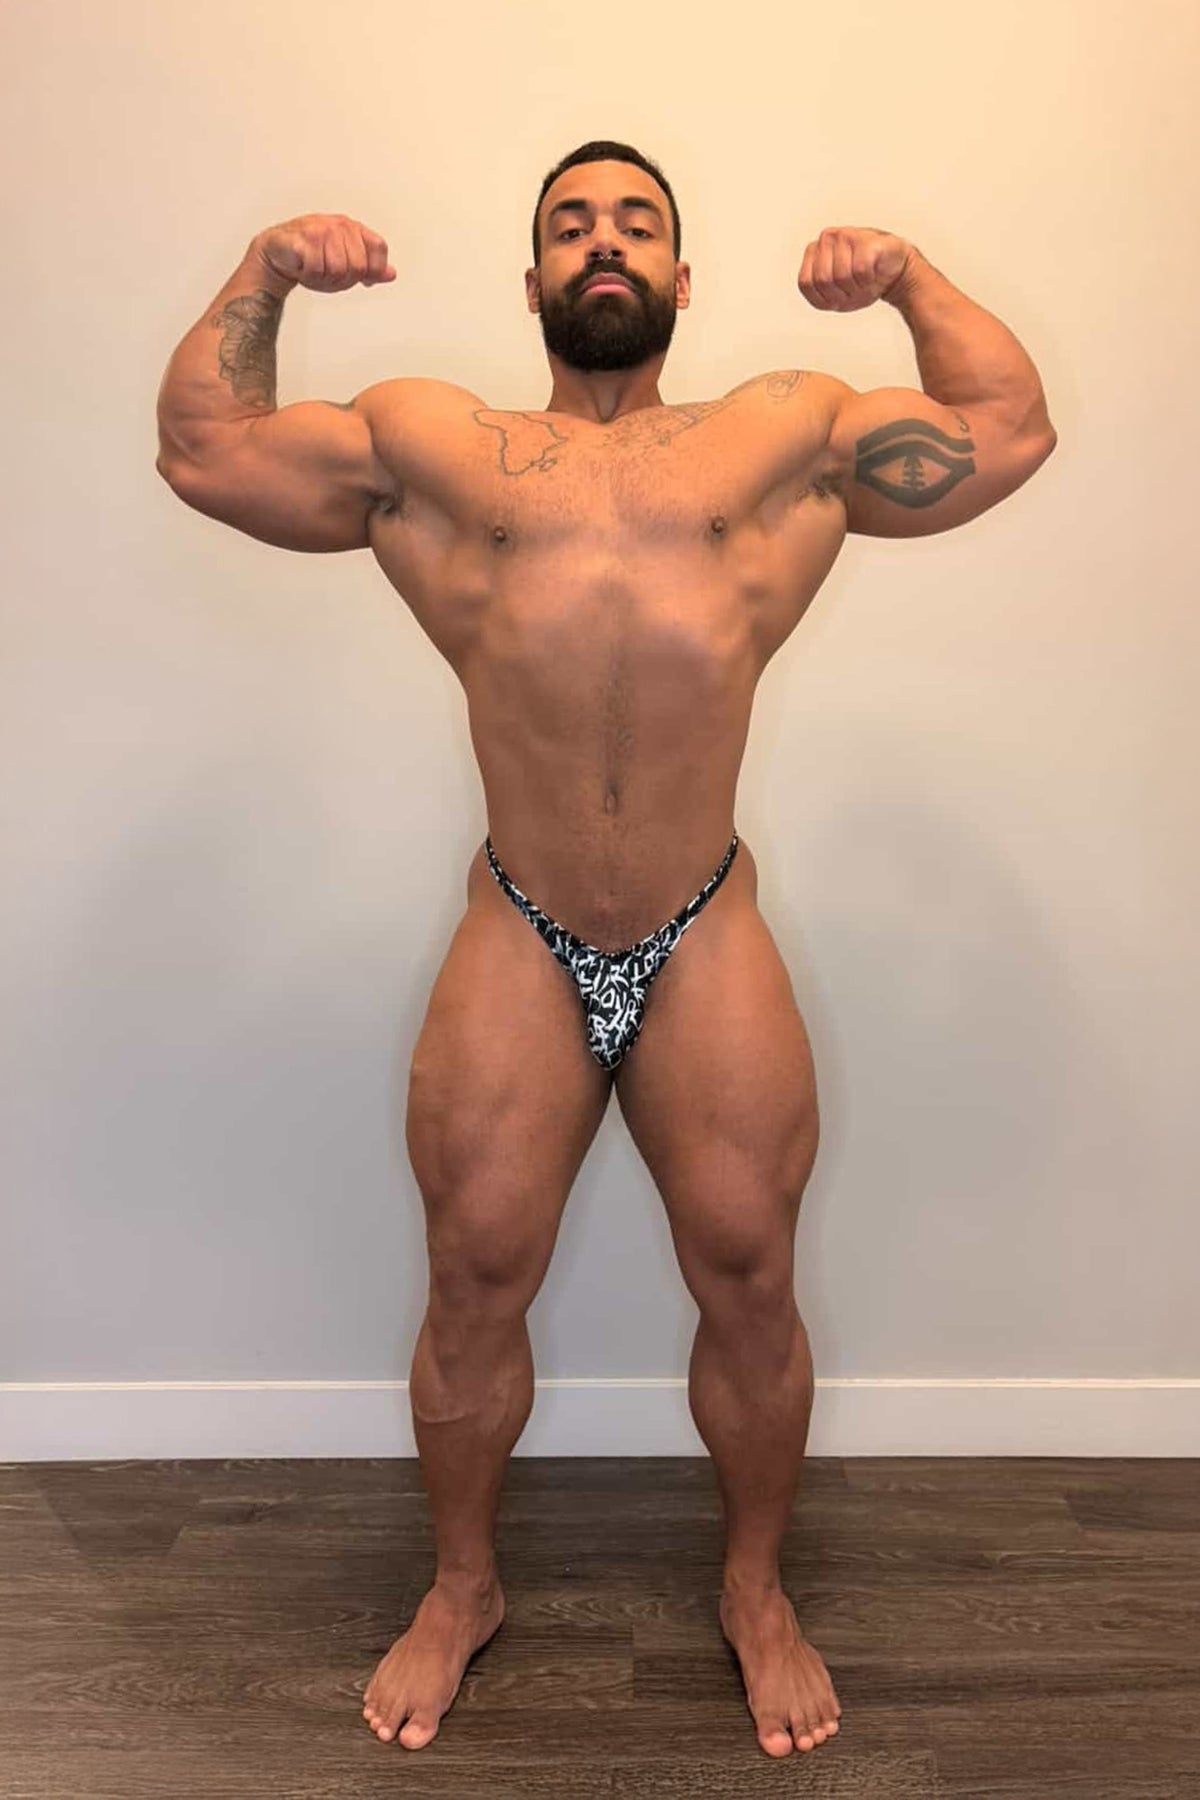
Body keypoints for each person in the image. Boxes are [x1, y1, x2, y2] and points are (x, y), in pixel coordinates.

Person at [155, 139, 1057, 1759]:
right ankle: (462, 1587)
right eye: (572, 223)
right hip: (525, 922)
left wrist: (910, 278)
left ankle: (756, 1592)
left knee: (751, 1278)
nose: (604, 239)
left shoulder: (776, 435)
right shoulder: (436, 445)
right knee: (472, 1277)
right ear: (535, 281)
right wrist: (269, 267)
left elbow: (1008, 427)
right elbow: (204, 449)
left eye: (636, 220)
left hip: (705, 923)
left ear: (680, 275)